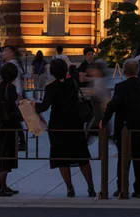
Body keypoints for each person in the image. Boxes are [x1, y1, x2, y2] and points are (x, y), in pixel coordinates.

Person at [35, 59, 95, 198]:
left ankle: (69, 188)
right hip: (75, 123)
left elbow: (44, 106)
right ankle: (90, 186)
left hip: (58, 125)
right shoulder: (73, 83)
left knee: (62, 158)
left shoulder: (51, 88)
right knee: (82, 157)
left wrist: (33, 105)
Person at [101, 58, 140, 199]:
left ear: (124, 72)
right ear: (137, 71)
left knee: (123, 161)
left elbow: (112, 106)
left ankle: (121, 188)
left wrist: (104, 120)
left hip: (123, 130)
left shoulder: (120, 87)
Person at [0, 63, 22, 197]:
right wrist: (18, 100)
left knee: (4, 156)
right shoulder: (11, 88)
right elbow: (12, 107)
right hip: (9, 126)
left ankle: (3, 185)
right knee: (7, 159)